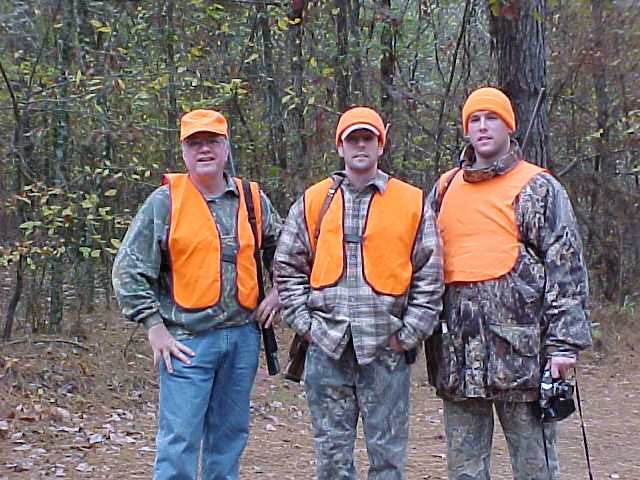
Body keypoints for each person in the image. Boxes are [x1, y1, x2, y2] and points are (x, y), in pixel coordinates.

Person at [425, 87, 592, 480]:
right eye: (475, 120)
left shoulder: (538, 187)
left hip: (523, 357)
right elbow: (424, 265)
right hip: (458, 358)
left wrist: (563, 346)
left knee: (535, 468)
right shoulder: (445, 188)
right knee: (464, 471)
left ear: (509, 127)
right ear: (466, 130)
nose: (483, 127)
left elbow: (566, 268)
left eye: (492, 118)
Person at [112, 109, 282, 480]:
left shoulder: (251, 198)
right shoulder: (164, 202)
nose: (204, 149)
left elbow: (287, 251)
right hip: (186, 343)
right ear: (183, 151)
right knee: (179, 443)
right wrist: (154, 327)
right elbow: (128, 270)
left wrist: (280, 292)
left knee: (229, 439)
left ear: (226, 147)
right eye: (195, 143)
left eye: (212, 141)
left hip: (243, 339)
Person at [275, 106, 443, 479]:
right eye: (353, 139)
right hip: (326, 348)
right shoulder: (314, 200)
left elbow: (430, 275)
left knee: (387, 460)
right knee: (331, 459)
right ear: (340, 147)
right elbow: (287, 267)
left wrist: (408, 335)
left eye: (368, 138)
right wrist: (306, 326)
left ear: (381, 145)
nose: (361, 145)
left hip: (386, 350)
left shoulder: (411, 202)